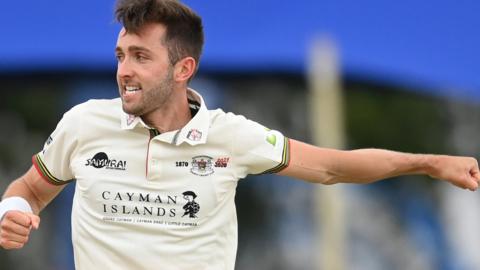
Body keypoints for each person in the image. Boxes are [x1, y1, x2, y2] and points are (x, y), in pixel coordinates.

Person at [0, 0, 479, 269]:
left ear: (183, 68)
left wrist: (429, 162)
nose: (124, 70)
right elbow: (30, 189)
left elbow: (333, 167)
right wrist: (13, 210)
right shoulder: (83, 123)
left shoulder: (231, 137)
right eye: (121, 55)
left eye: (141, 57)